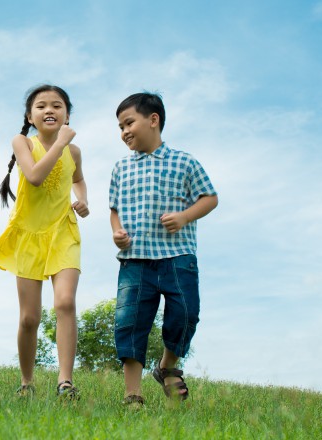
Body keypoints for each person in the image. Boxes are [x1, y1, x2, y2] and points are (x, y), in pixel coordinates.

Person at [109, 92, 218, 408]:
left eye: (129, 122)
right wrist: (116, 231)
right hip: (135, 259)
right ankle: (132, 394)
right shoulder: (120, 168)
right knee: (130, 322)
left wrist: (184, 216)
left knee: (186, 313)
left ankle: (167, 365)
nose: (124, 131)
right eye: (120, 127)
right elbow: (114, 208)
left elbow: (209, 197)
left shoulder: (185, 161)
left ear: (153, 119)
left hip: (177, 255)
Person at [0, 85, 89, 399]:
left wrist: (82, 199)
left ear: (67, 115)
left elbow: (78, 179)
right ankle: (27, 383)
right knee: (30, 317)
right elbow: (34, 176)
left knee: (65, 303)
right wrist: (59, 143)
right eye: (41, 106)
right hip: (29, 235)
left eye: (57, 106)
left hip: (63, 232)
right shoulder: (23, 142)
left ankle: (65, 382)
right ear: (30, 117)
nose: (49, 110)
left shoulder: (74, 151)